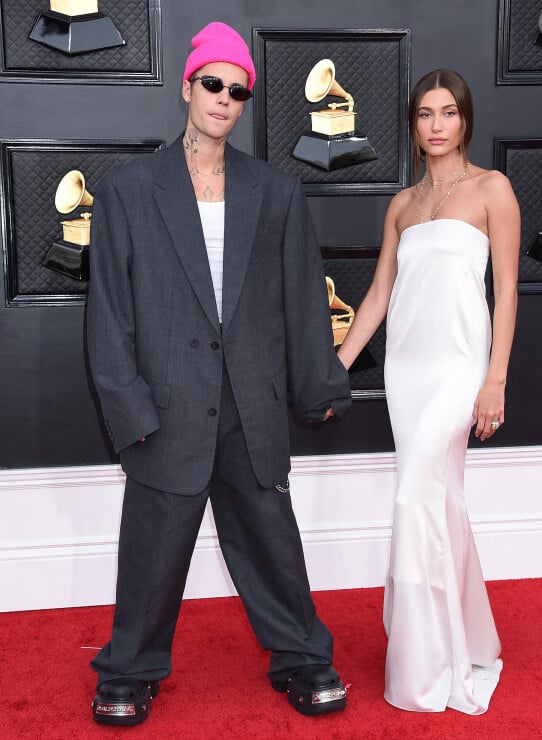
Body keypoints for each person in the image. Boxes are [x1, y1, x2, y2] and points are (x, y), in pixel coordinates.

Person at [86, 21, 351, 726]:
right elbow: (109, 315)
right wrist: (129, 409)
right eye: (213, 84)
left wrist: (318, 383)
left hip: (251, 401)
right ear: (188, 87)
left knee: (272, 542)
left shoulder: (277, 191)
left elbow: (302, 294)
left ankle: (302, 659)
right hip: (165, 406)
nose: (224, 99)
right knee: (152, 554)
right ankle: (128, 671)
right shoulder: (128, 193)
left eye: (238, 91)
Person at [337, 69, 519, 714]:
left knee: (418, 497)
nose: (437, 124)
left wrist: (494, 379)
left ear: (465, 119)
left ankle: (426, 668)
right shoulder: (402, 205)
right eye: (424, 113)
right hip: (406, 371)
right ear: (413, 125)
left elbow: (506, 292)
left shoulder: (493, 189)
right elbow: (380, 295)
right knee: (439, 503)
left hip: (460, 367)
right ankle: (465, 636)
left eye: (448, 112)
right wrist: (340, 364)